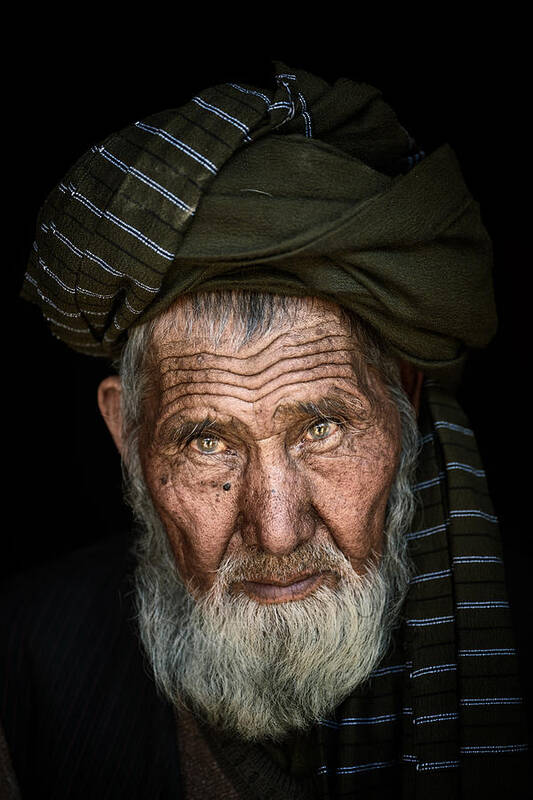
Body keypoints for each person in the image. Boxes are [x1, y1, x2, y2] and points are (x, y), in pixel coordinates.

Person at [1, 63, 528, 798]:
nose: (277, 531)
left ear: (404, 403)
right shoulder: (23, 662)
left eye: (321, 427)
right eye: (207, 442)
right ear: (125, 431)